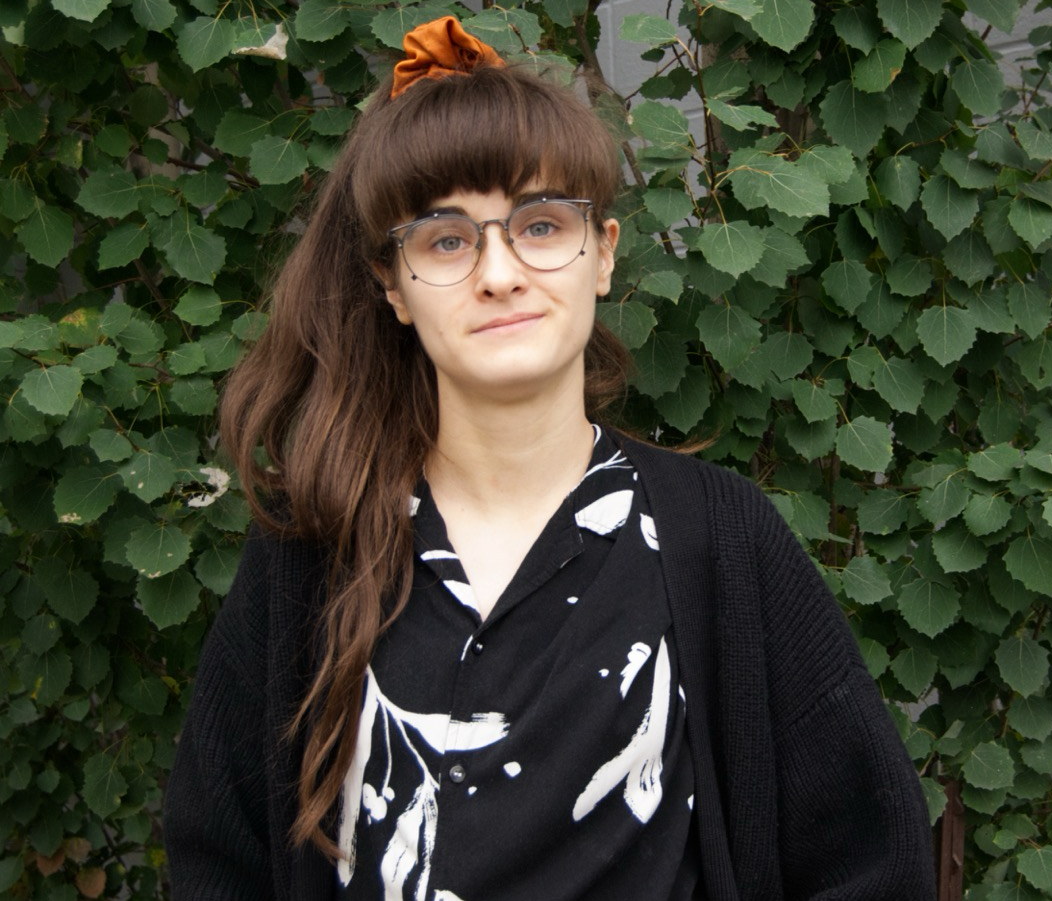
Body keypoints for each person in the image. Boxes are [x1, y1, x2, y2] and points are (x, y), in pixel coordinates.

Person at [163, 16, 933, 901]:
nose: (499, 272)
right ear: (394, 287)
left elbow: (877, 861)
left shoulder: (718, 541)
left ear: (601, 255)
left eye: (539, 225)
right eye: (446, 240)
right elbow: (215, 859)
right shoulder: (317, 547)